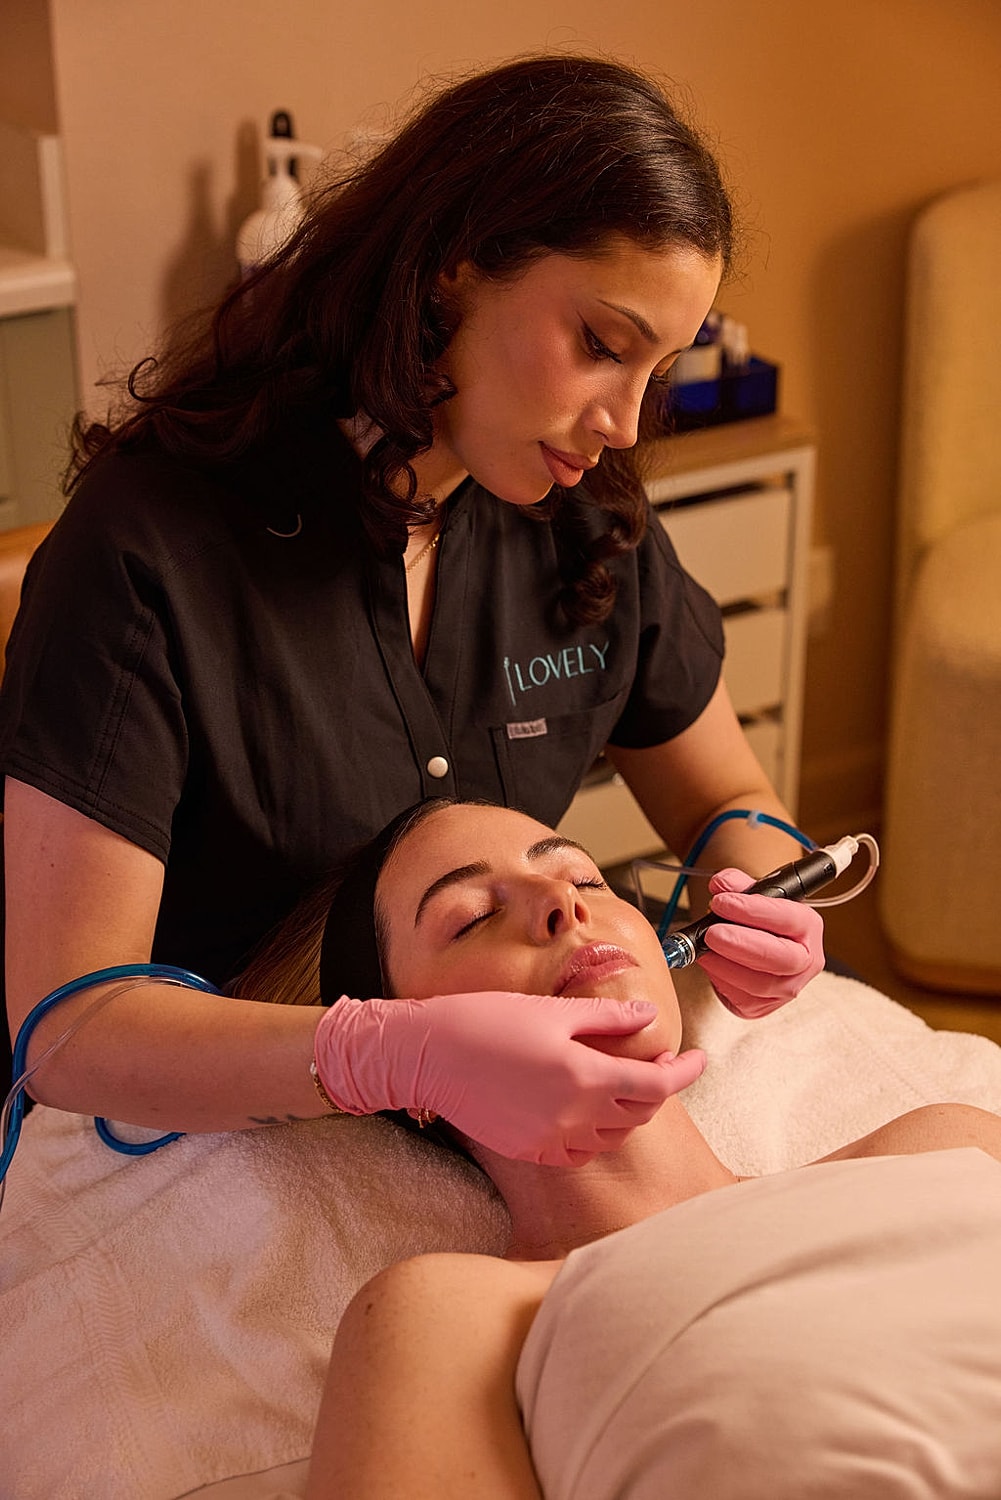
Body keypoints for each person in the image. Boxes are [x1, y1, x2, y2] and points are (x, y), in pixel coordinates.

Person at [0, 54, 825, 1163]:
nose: (626, 424)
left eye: (658, 369)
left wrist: (766, 886)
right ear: (452, 268)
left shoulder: (581, 521)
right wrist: (385, 1055)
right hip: (210, 1155)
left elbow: (727, 794)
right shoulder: (153, 552)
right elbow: (66, 1032)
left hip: (489, 1146)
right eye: (599, 346)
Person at [279, 798, 1001, 1500]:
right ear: (412, 1071)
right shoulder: (450, 1318)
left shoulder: (942, 1140)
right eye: (471, 918)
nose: (563, 902)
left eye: (585, 877)